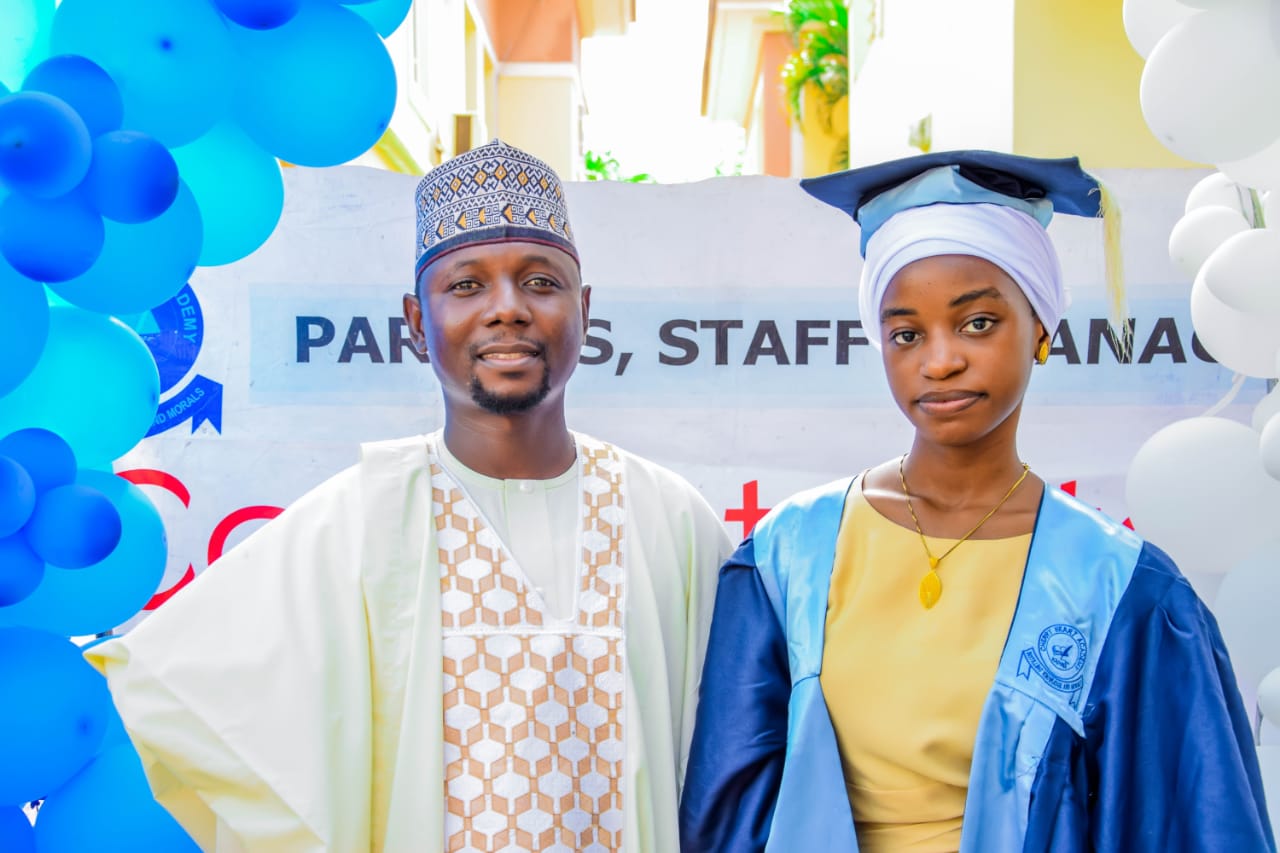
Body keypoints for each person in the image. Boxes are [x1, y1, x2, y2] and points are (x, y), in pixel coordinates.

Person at [88, 139, 732, 852]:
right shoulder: (360, 521)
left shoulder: (673, 523)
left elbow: (743, 765)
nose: (507, 309)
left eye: (540, 282)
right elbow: (180, 699)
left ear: (583, 309)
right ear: (416, 322)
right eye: (466, 285)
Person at [678, 150, 1274, 852]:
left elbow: (1195, 826)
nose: (940, 360)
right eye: (906, 333)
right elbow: (725, 820)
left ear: (1043, 328)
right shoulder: (790, 558)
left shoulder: (1119, 588)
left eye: (978, 323)